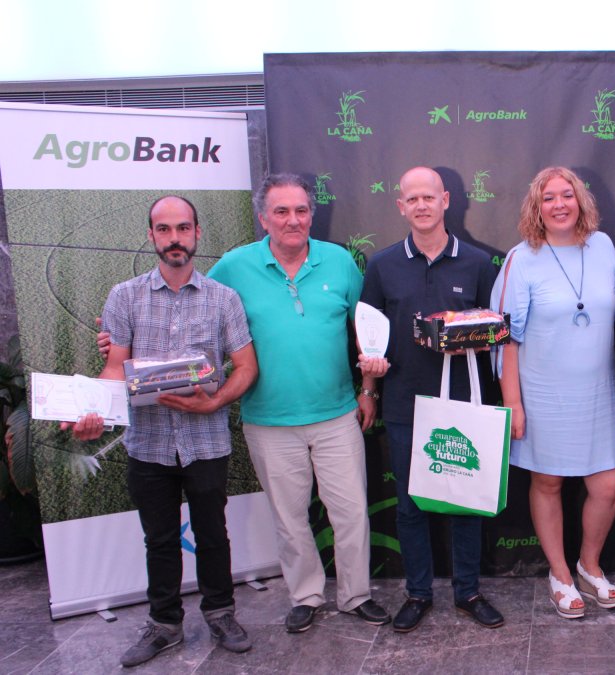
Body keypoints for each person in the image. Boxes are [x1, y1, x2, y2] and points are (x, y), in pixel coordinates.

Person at [68, 196, 258, 667]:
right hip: (148, 443)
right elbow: (115, 367)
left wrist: (215, 400)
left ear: (196, 233)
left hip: (206, 440)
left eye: (183, 228)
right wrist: (93, 413)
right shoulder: (124, 296)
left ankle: (220, 612)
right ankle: (165, 625)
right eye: (164, 229)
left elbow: (246, 366)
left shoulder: (223, 298)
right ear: (151, 236)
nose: (175, 238)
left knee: (213, 534)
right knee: (159, 540)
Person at [206, 174, 390, 633]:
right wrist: (122, 339)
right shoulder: (232, 267)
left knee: (349, 513)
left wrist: (368, 390)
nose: (293, 220)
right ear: (263, 218)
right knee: (290, 519)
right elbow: (195, 312)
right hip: (267, 419)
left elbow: (366, 332)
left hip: (337, 414)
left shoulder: (340, 261)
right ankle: (306, 595)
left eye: (302, 210)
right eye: (282, 212)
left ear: (313, 213)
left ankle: (355, 595)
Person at [491, 166, 615, 620]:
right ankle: (560, 574)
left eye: (567, 195)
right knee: (547, 481)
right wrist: (513, 403)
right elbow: (506, 337)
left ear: (581, 201)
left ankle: (589, 565)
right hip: (542, 395)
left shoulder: (603, 246)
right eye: (549, 198)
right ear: (536, 207)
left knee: (608, 485)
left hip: (597, 394)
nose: (560, 204)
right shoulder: (520, 259)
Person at [358, 167, 504, 633]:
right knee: (410, 504)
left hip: (465, 402)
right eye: (411, 199)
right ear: (400, 206)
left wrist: (474, 336)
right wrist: (370, 373)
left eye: (429, 197)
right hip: (405, 403)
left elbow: (498, 332)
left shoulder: (479, 262)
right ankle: (418, 592)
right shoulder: (381, 265)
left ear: (446, 200)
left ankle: (468, 591)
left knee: (465, 502)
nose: (421, 205)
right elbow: (368, 334)